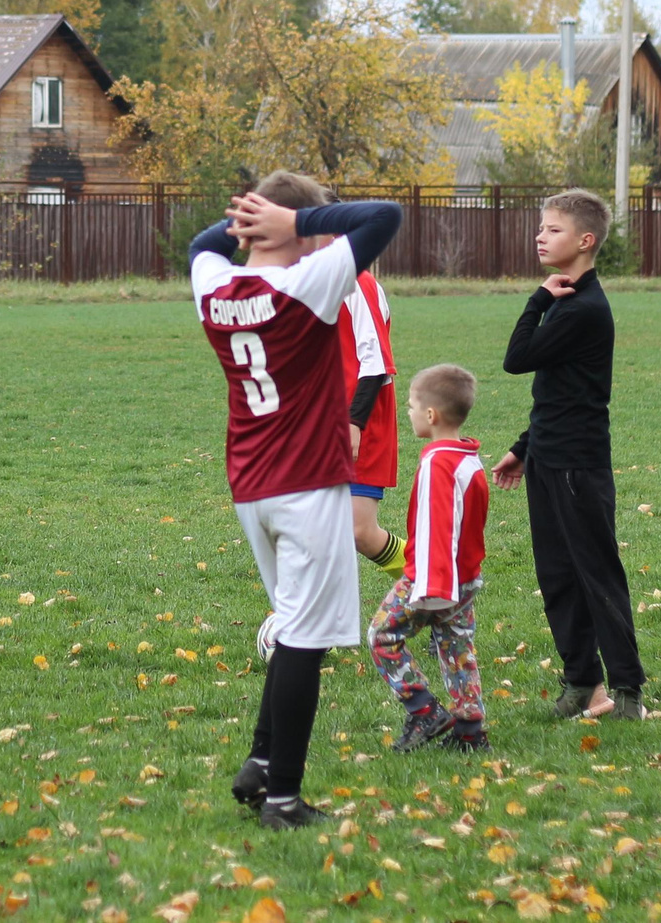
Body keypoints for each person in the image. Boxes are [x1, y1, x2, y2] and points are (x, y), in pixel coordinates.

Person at [193, 172, 403, 830]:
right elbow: (385, 215)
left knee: (291, 627)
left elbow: (202, 242)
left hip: (250, 485)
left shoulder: (213, 283)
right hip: (308, 484)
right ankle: (282, 796)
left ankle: (260, 762)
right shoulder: (306, 285)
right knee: (305, 641)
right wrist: (300, 220)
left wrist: (257, 222)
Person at [490, 187, 647, 720]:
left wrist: (536, 297)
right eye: (541, 227)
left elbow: (517, 360)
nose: (540, 235)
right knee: (557, 575)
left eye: (552, 229)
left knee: (596, 575)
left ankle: (627, 692)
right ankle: (581, 683)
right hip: (548, 459)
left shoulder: (580, 308)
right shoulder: (569, 301)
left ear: (584, 241)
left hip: (578, 465)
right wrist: (522, 449)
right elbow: (558, 394)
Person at [367, 364, 490, 754]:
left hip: (435, 578)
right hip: (465, 577)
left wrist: (431, 588)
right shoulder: (468, 458)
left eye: (410, 406)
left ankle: (422, 709)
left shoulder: (438, 463)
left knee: (382, 636)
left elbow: (439, 526)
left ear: (431, 415)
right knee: (457, 648)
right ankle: (470, 730)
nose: (408, 413)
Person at [342, 260, 405, 575]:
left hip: (359, 419)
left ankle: (442, 584)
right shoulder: (306, 282)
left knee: (360, 531)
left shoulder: (357, 283)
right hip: (317, 420)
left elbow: (376, 361)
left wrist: (355, 424)